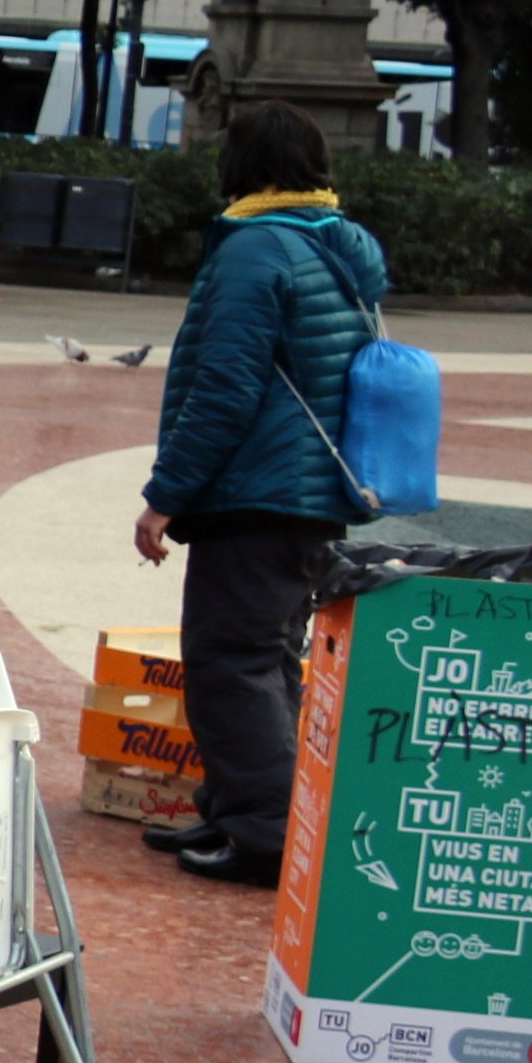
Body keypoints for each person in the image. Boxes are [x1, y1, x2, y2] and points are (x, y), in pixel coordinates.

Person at [133, 102, 389, 886]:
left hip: (257, 490)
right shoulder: (335, 246)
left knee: (230, 660)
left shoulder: (255, 251)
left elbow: (225, 389)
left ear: (243, 168)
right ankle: (238, 810)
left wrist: (165, 495)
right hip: (307, 493)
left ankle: (267, 834)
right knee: (268, 657)